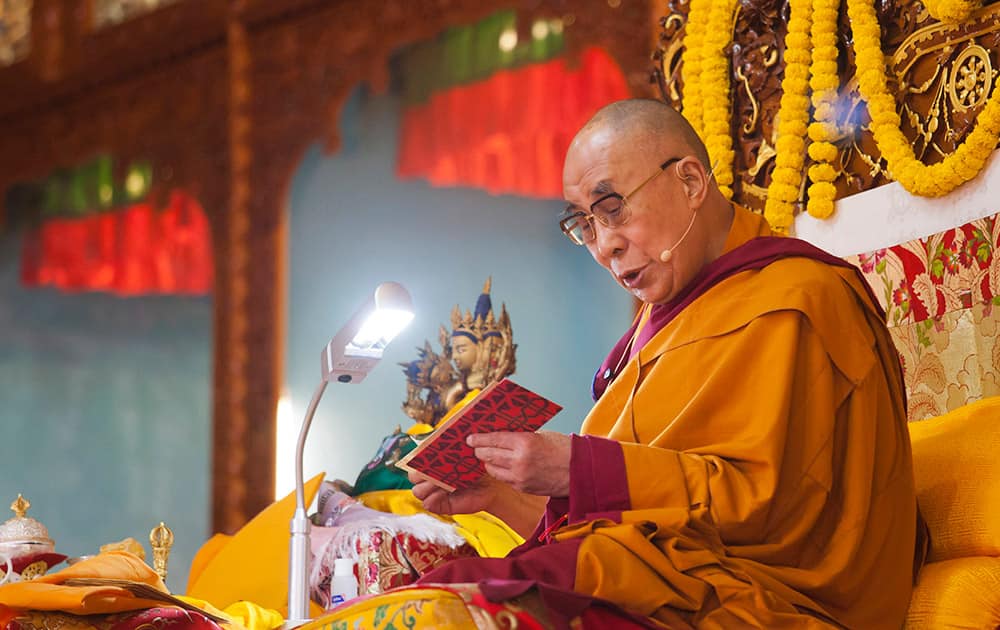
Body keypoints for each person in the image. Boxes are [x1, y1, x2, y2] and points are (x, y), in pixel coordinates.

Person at [408, 98, 927, 629]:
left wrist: (577, 467)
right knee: (439, 596)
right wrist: (497, 497)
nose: (604, 245)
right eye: (583, 224)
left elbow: (766, 513)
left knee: (466, 607)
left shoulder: (797, 300)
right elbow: (644, 533)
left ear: (691, 183)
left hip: (774, 604)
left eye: (612, 207)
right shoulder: (657, 328)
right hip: (685, 589)